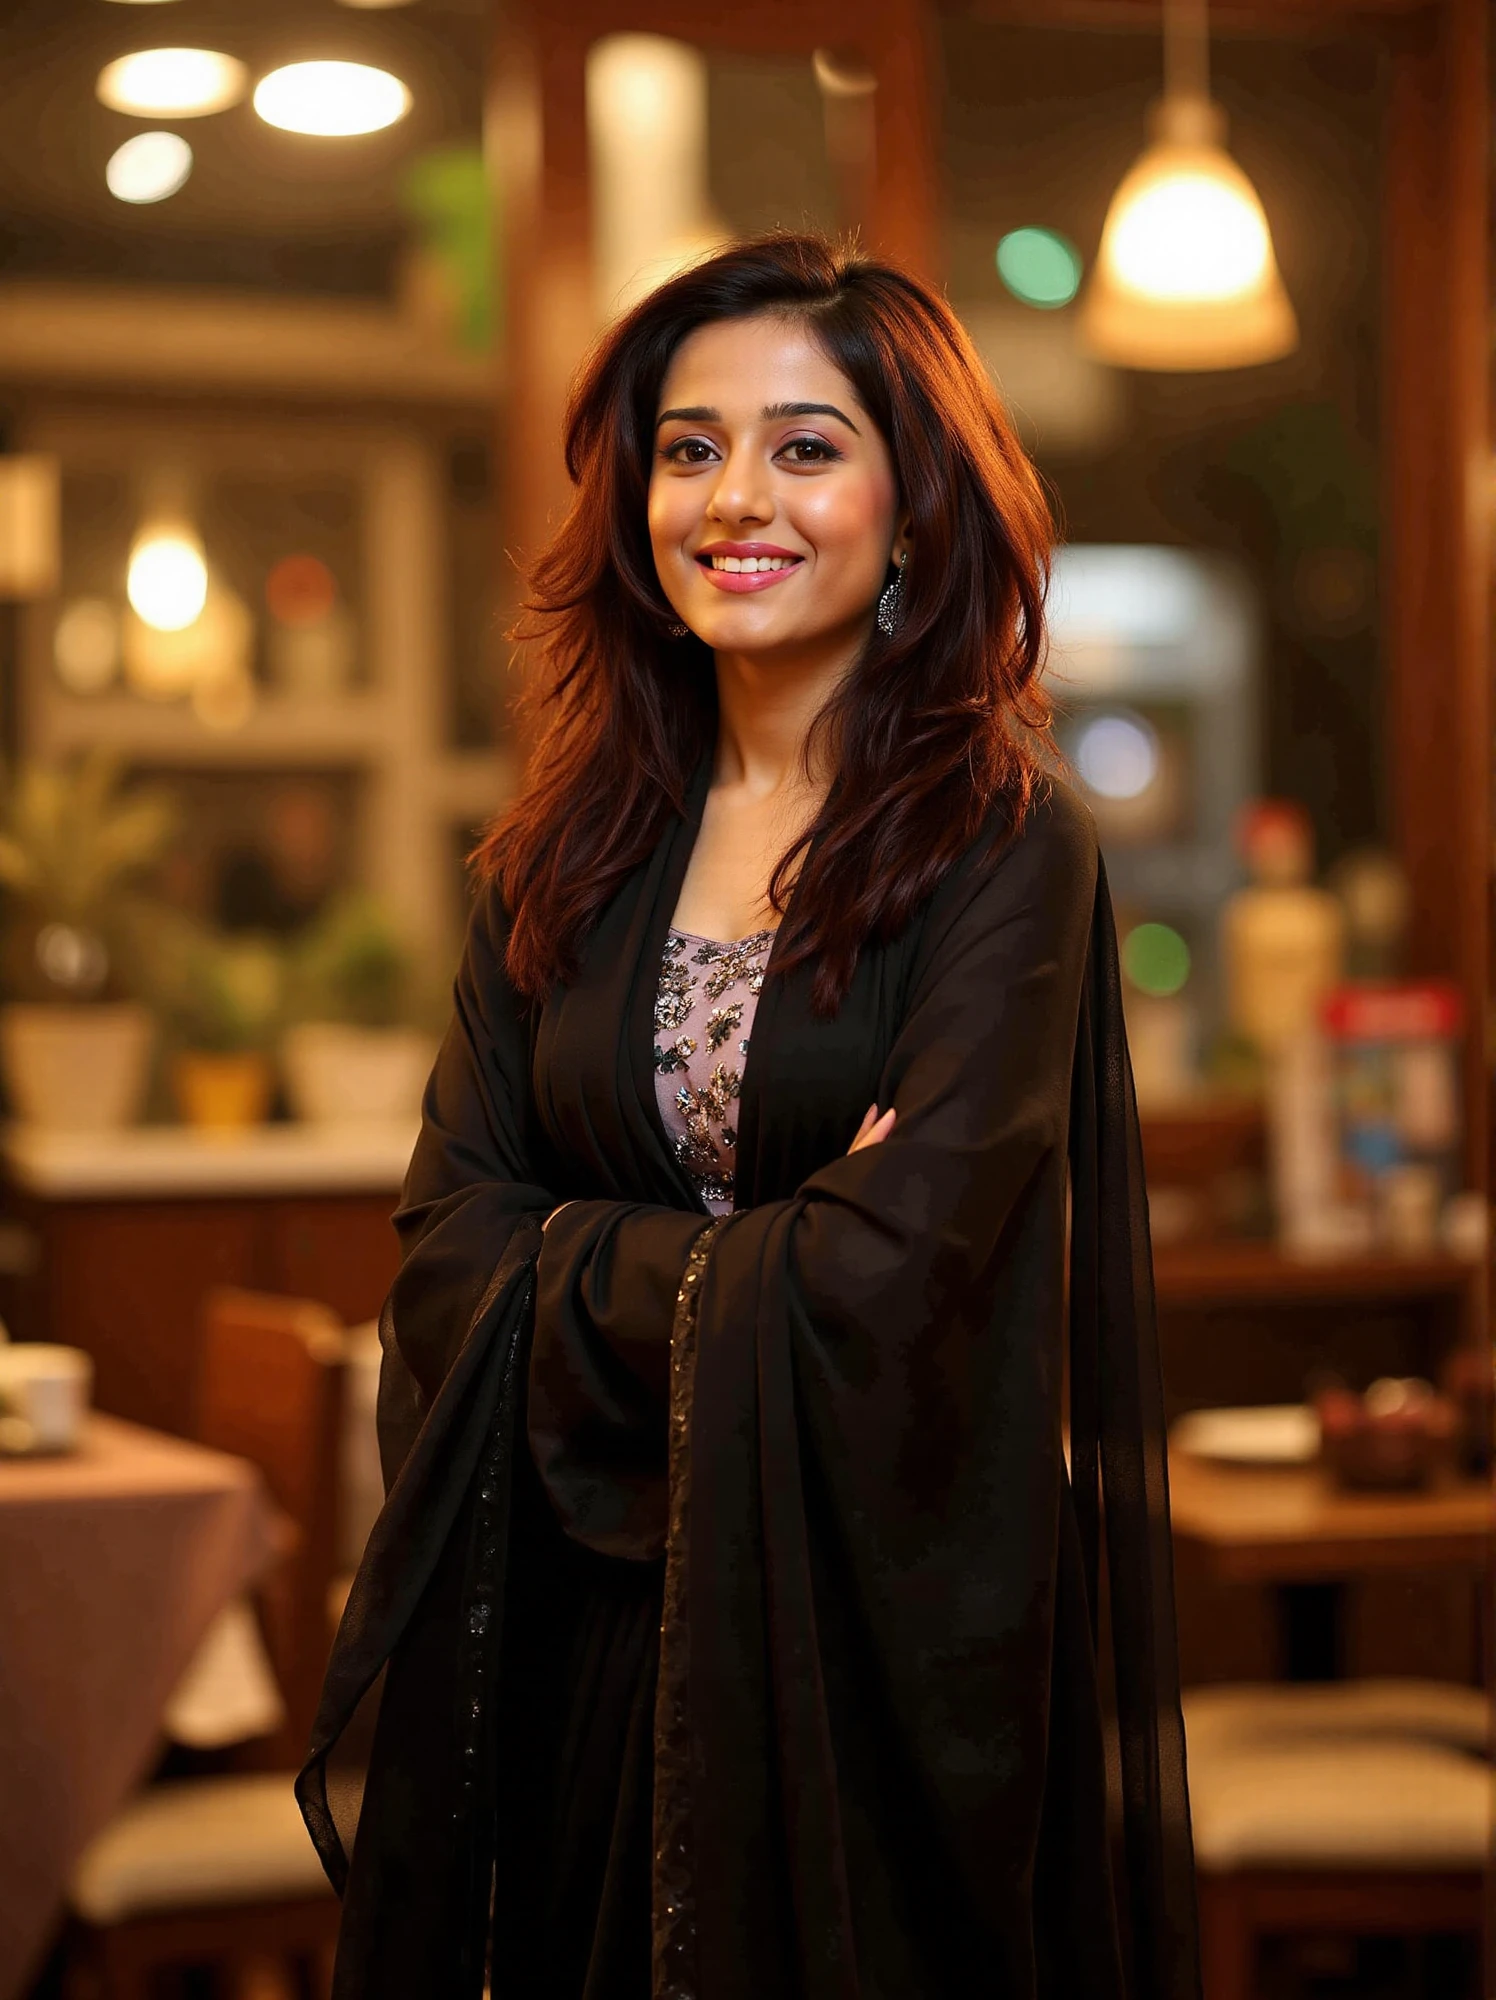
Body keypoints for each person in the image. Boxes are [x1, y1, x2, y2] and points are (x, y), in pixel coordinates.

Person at [299, 232, 1200, 2000]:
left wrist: (579, 1257)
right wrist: (768, 1245)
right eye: (690, 447)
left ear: (912, 503)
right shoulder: (558, 857)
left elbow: (905, 1264)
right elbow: (444, 1254)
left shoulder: (1001, 849)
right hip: (579, 1641)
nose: (736, 498)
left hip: (875, 1640)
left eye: (805, 445)